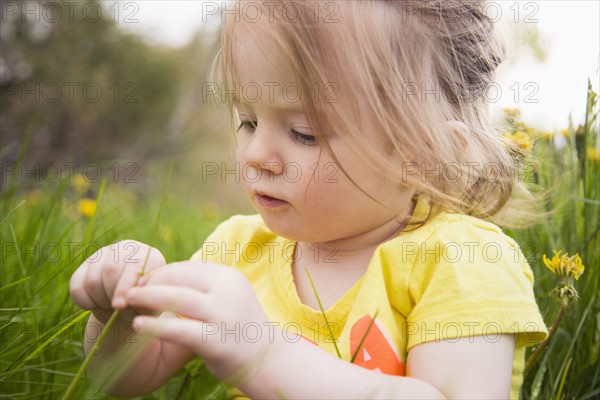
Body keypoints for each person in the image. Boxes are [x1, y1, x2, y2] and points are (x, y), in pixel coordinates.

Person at [69, 1, 548, 398]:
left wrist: (265, 353)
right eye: (248, 121)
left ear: (420, 155)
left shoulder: (459, 260)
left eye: (304, 133)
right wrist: (120, 315)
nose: (258, 155)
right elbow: (128, 380)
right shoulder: (237, 249)